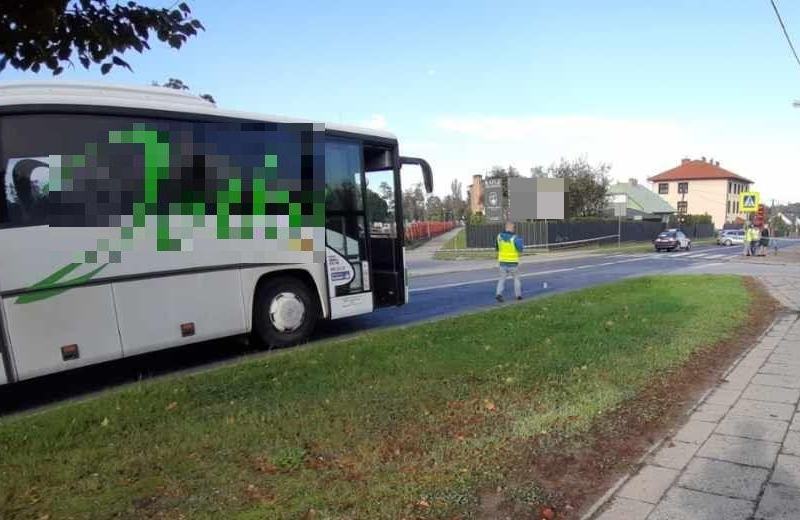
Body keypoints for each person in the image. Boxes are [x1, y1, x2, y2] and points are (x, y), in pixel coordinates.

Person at [495, 221, 524, 302]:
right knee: (516, 279)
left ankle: (498, 294)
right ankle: (518, 295)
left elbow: (497, 248)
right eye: (514, 227)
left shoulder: (499, 237)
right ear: (511, 228)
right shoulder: (515, 238)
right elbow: (520, 249)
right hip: (513, 263)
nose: (514, 229)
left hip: (502, 262)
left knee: (501, 279)